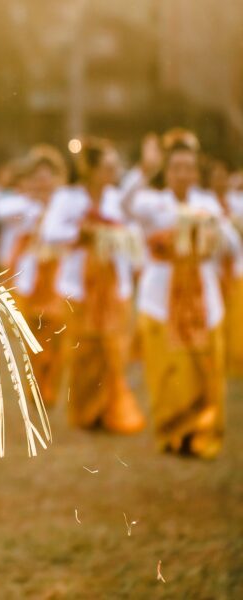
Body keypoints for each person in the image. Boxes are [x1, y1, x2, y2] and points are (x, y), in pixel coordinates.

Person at [124, 129, 234, 458]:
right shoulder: (151, 202)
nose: (183, 174)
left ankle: (202, 434)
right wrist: (144, 169)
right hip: (160, 295)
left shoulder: (207, 203)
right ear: (167, 171)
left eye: (189, 167)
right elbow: (124, 203)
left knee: (204, 365)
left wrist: (211, 229)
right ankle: (173, 433)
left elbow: (230, 245)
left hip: (202, 294)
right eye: (176, 168)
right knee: (166, 368)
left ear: (196, 171)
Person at [40, 139, 146, 433]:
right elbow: (50, 232)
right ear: (92, 170)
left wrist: (114, 234)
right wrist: (82, 232)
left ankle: (113, 411)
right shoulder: (67, 198)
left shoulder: (117, 198)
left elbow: (133, 229)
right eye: (109, 166)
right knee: (84, 348)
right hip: (77, 285)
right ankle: (86, 412)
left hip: (115, 285)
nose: (115, 171)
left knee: (114, 348)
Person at [9, 146, 68, 407]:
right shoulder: (22, 207)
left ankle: (51, 386)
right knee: (32, 334)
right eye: (38, 176)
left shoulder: (66, 207)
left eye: (49, 176)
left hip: (58, 276)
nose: (44, 182)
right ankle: (35, 387)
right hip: (31, 280)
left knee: (57, 336)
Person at [203, 157, 243, 375]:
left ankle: (235, 363)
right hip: (215, 270)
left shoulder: (237, 202)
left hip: (236, 268)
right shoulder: (204, 202)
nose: (220, 181)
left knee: (237, 318)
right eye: (216, 176)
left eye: (223, 176)